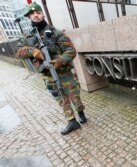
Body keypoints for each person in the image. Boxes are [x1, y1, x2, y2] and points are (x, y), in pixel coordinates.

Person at [15, 2, 86, 135]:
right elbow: (18, 52)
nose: (36, 15)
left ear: (42, 13)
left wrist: (58, 61)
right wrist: (32, 51)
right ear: (29, 17)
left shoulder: (55, 33)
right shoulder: (27, 37)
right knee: (60, 99)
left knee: (74, 97)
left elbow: (70, 50)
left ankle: (80, 111)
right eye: (32, 14)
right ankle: (72, 121)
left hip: (64, 73)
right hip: (48, 75)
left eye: (38, 12)